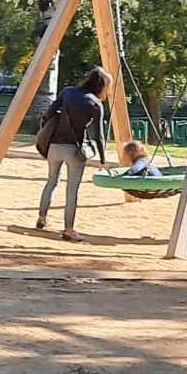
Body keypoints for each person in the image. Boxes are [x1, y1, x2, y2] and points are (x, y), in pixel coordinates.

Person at [36, 66, 112, 242]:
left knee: (51, 181)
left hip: (54, 145)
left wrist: (45, 132)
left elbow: (48, 113)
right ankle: (68, 229)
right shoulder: (95, 104)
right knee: (72, 190)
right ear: (101, 85)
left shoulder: (68, 92)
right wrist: (102, 159)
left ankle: (42, 218)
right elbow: (98, 135)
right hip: (75, 149)